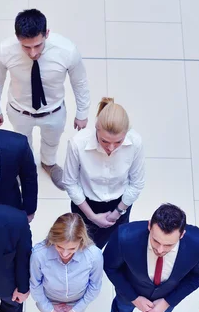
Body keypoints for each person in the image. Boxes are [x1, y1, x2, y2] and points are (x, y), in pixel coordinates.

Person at [0, 8, 90, 190]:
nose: (33, 53)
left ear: (47, 34)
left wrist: (82, 112)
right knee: (22, 142)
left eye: (38, 45)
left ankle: (48, 163)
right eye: (26, 46)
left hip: (54, 110)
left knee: (52, 140)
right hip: (19, 110)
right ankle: (24, 168)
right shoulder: (5, 50)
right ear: (17, 37)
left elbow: (79, 82)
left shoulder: (67, 51)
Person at [99, 203, 199, 312]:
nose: (160, 250)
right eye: (156, 241)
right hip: (130, 290)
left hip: (168, 294)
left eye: (169, 245)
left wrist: (168, 301)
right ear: (149, 227)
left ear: (182, 234)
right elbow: (110, 266)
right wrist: (134, 298)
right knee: (120, 310)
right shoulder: (124, 236)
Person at [62, 97, 145, 249]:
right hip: (86, 204)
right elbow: (70, 182)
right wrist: (91, 216)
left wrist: (118, 212)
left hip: (121, 203)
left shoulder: (135, 143)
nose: (111, 148)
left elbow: (137, 183)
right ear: (96, 129)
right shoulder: (78, 144)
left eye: (118, 142)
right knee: (83, 245)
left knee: (116, 243)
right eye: (105, 141)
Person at [30, 213, 103, 312]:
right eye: (59, 247)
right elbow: (35, 284)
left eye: (71, 249)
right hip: (48, 299)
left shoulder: (94, 256)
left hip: (77, 301)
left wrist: (75, 309)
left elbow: (95, 286)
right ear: (53, 239)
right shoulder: (39, 254)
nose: (64, 254)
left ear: (81, 242)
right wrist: (49, 308)